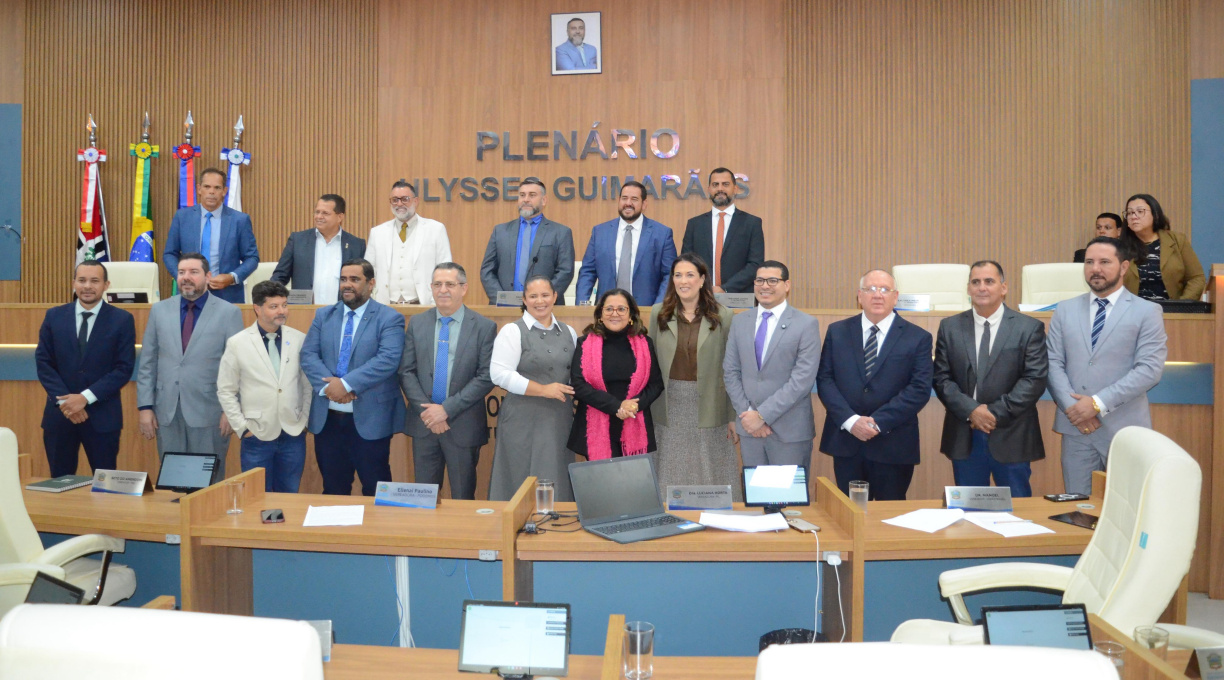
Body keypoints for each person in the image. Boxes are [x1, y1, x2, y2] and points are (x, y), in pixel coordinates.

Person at [1047, 236, 1167, 495]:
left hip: (1125, 431)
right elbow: (1053, 362)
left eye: (1104, 262)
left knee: (1126, 514)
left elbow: (1149, 370)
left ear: (1124, 267)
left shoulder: (1147, 311)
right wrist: (1074, 410)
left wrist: (1096, 404)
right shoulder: (1065, 310)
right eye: (1089, 262)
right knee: (1077, 511)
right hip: (1077, 429)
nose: (1095, 269)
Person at [932, 261, 1049, 497]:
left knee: (1017, 514)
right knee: (969, 512)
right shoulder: (950, 327)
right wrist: (972, 410)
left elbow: (1034, 379)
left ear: (1003, 287)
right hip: (965, 433)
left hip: (1011, 433)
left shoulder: (1029, 328)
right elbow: (942, 378)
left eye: (989, 281)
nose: (982, 287)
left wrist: (993, 413)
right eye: (975, 282)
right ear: (968, 289)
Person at [816, 269, 932, 500]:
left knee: (889, 519)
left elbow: (919, 389)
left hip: (893, 443)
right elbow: (825, 379)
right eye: (870, 289)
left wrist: (877, 423)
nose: (877, 295)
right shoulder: (837, 332)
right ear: (859, 296)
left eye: (885, 290)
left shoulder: (918, 337)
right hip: (847, 441)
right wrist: (852, 421)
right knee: (850, 516)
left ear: (896, 296)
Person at [300, 259, 406, 496]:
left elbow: (387, 360)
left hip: (370, 420)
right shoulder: (323, 315)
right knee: (334, 489)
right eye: (343, 279)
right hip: (328, 420)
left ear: (371, 284)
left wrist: (345, 384)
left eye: (355, 279)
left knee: (376, 490)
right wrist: (331, 388)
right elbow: (308, 355)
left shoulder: (389, 318)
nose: (347, 285)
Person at [136, 252, 244, 478]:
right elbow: (147, 362)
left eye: (194, 272)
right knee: (173, 480)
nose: (186, 277)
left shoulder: (229, 313)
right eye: (182, 272)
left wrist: (230, 410)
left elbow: (238, 367)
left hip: (210, 412)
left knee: (208, 483)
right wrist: (145, 407)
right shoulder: (159, 310)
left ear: (208, 276)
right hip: (166, 411)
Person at [400, 263, 497, 500]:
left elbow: (486, 377)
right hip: (424, 424)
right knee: (423, 499)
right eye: (437, 284)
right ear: (431, 288)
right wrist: (430, 413)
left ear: (464, 288)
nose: (443, 290)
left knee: (463, 498)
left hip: (462, 425)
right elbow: (406, 371)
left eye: (450, 284)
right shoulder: (417, 323)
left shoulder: (484, 327)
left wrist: (446, 410)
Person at [648, 254, 739, 499]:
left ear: (702, 280)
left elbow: (730, 369)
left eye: (690, 275)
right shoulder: (659, 313)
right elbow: (650, 364)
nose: (683, 280)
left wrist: (732, 416)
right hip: (669, 403)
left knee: (711, 469)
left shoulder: (723, 315)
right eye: (678, 275)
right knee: (670, 467)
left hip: (710, 403)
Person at [35, 260, 136, 477]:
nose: (87, 286)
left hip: (102, 418)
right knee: (60, 484)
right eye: (81, 280)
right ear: (73, 283)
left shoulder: (122, 320)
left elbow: (123, 368)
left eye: (94, 281)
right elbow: (44, 362)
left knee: (105, 486)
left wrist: (84, 398)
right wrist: (66, 402)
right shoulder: (54, 316)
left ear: (106, 285)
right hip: (60, 417)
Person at [216, 280, 314, 492]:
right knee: (257, 497)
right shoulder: (238, 343)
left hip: (293, 433)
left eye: (284, 305)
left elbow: (307, 385)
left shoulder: (299, 339)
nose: (282, 311)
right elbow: (226, 390)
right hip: (256, 434)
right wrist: (242, 428)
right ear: (257, 308)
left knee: (290, 494)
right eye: (274, 306)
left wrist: (304, 420)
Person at [723, 261, 820, 466]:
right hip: (749, 429)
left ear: (787, 285)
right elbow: (731, 372)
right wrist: (749, 417)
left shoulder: (806, 324)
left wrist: (762, 415)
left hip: (789, 432)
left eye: (772, 280)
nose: (765, 286)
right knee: (756, 496)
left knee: (788, 497)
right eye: (759, 280)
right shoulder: (739, 322)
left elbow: (802, 381)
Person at [488, 276, 577, 501]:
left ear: (555, 297)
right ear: (524, 299)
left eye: (545, 295)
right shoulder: (512, 331)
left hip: (559, 418)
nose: (540, 301)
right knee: (519, 478)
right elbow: (499, 374)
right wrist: (543, 389)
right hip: (522, 418)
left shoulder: (570, 332)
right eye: (533, 296)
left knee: (556, 474)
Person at [568, 288, 664, 460]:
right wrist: (616, 406)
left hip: (633, 420)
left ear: (631, 315)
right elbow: (578, 384)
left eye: (621, 309)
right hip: (595, 424)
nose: (615, 314)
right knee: (599, 485)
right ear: (600, 314)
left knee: (633, 485)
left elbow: (656, 384)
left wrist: (633, 406)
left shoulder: (645, 344)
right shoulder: (584, 344)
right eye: (609, 309)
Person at [163, 168, 259, 304]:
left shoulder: (239, 220)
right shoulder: (182, 217)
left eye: (217, 187)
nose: (212, 192)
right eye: (207, 187)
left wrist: (232, 277)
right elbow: (169, 254)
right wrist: (184, 276)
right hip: (189, 293)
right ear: (199, 189)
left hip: (227, 295)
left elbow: (252, 257)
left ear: (224, 191)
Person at [576, 181, 676, 306]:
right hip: (607, 312)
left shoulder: (662, 234)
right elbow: (587, 271)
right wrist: (581, 306)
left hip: (646, 311)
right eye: (624, 198)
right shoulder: (600, 232)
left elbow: (669, 275)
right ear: (619, 201)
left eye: (634, 199)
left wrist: (658, 309)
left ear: (644, 204)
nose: (628, 203)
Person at [480, 177, 575, 304]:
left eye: (532, 195)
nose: (526, 199)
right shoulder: (500, 231)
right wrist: (501, 299)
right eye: (522, 195)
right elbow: (487, 270)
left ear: (544, 200)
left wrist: (543, 298)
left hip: (544, 308)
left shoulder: (561, 232)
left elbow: (565, 271)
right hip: (505, 308)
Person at [365, 179, 453, 306]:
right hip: (385, 306)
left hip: (423, 304)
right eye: (394, 200)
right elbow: (369, 271)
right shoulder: (377, 232)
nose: (399, 204)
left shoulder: (435, 229)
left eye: (405, 199)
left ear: (416, 201)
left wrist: (435, 302)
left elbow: (445, 269)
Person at [680, 168, 764, 294]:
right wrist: (705, 288)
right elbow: (687, 263)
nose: (720, 189)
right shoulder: (695, 224)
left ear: (735, 189)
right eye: (715, 185)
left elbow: (755, 264)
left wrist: (725, 289)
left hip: (739, 297)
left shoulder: (752, 223)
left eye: (725, 184)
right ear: (709, 189)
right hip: (701, 296)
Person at [270, 194, 365, 303]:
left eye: (325, 213)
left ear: (340, 217)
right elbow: (280, 276)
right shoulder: (298, 241)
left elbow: (362, 283)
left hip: (342, 311)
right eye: (317, 212)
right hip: (304, 311)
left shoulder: (356, 245)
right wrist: (269, 297)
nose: (319, 216)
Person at [1120, 193, 1205, 300]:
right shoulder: (1119, 247)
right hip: (1133, 313)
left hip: (1172, 313)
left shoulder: (1177, 240)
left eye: (1140, 211)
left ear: (1155, 214)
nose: (1133, 216)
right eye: (1129, 213)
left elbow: (1196, 278)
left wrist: (1182, 305)